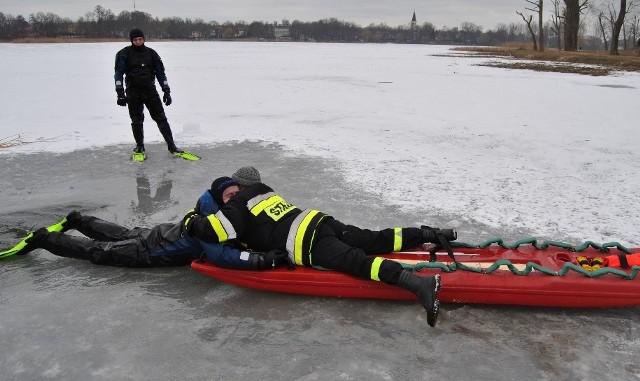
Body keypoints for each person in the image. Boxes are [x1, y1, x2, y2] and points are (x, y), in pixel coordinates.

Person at [183, 166, 458, 327]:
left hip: (307, 242)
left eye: (234, 191)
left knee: (356, 262)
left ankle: (419, 285)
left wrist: (192, 222)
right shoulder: (265, 191)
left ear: (240, 187)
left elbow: (219, 230)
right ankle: (431, 233)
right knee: (373, 239)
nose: (232, 196)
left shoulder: (239, 203)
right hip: (320, 222)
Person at [10, 177, 285, 269]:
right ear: (218, 197)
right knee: (97, 251)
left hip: (160, 233)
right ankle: (44, 238)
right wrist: (260, 260)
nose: (235, 200)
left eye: (238, 195)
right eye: (230, 195)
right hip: (151, 252)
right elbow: (221, 255)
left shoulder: (210, 207)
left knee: (121, 233)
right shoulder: (210, 222)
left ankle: (78, 220)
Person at [114, 28, 183, 156]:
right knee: (137, 120)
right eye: (135, 40)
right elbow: (118, 74)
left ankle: (172, 146)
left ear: (143, 39)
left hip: (150, 91)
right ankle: (140, 146)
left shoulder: (152, 54)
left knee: (161, 119)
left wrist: (166, 91)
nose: (138, 42)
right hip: (133, 92)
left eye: (140, 39)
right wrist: (120, 93)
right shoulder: (124, 54)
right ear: (131, 40)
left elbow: (160, 74)